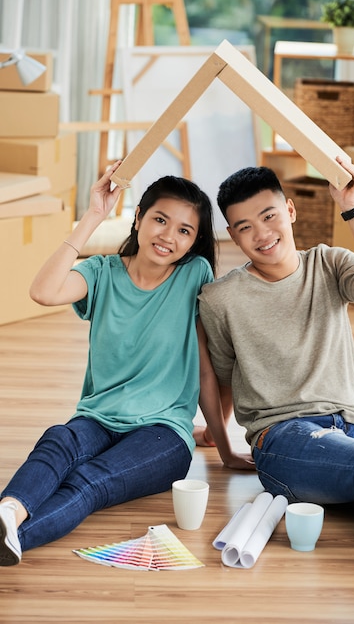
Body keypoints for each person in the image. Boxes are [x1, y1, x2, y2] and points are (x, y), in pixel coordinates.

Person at [0, 161, 253, 567]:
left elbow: (206, 368)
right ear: (138, 218)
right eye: (160, 220)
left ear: (194, 242)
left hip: (162, 435)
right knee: (57, 441)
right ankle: (9, 512)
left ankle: (16, 536)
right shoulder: (100, 272)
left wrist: (223, 446)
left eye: (184, 231)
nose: (169, 236)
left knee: (88, 481)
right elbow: (42, 291)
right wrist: (94, 214)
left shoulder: (195, 275)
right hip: (98, 418)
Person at [198, 157, 354, 550]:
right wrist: (222, 442)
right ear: (232, 234)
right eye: (245, 227)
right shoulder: (221, 299)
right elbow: (222, 375)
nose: (262, 234)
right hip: (284, 439)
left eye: (269, 216)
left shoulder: (329, 264)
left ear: (291, 210)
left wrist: (353, 209)